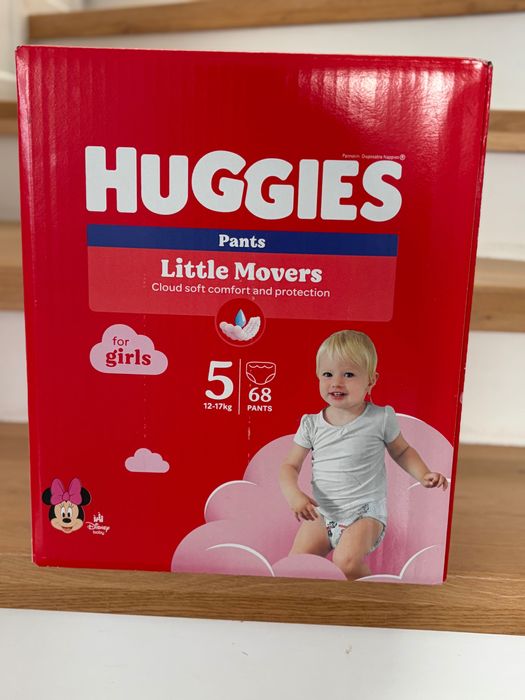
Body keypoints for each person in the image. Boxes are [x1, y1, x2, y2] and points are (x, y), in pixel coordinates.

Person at [279, 329, 448, 580]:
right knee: (297, 563)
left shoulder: (380, 418)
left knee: (346, 562)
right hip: (323, 513)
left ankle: (373, 596)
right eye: (327, 374)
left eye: (348, 374)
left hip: (365, 513)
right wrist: (294, 496)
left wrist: (423, 474)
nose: (336, 382)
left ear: (371, 380)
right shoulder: (311, 424)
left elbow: (402, 450)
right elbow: (289, 466)